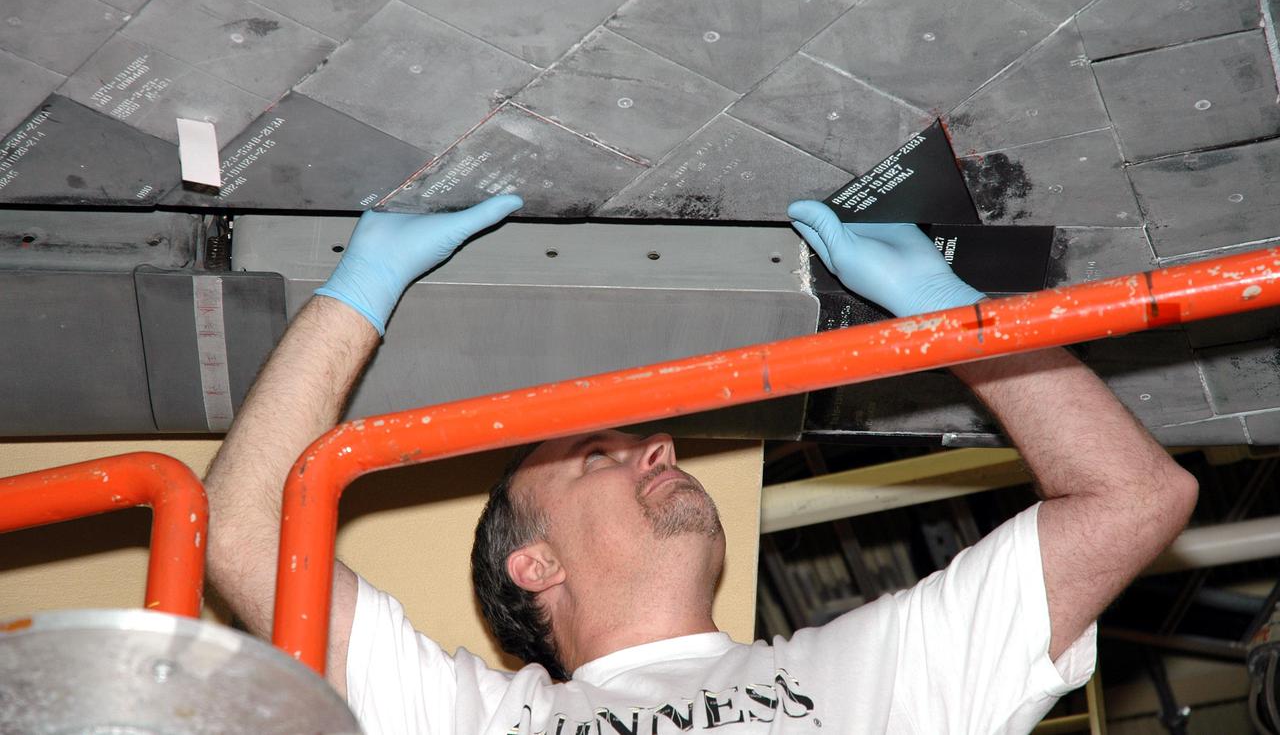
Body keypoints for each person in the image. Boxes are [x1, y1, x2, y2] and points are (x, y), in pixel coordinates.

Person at [205, 195, 1198, 734]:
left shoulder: (879, 671)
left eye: (612, 446)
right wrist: (360, 285)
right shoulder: (468, 719)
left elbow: (1135, 496)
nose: (658, 444)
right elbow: (244, 533)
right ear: (534, 562)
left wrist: (947, 310)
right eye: (598, 452)